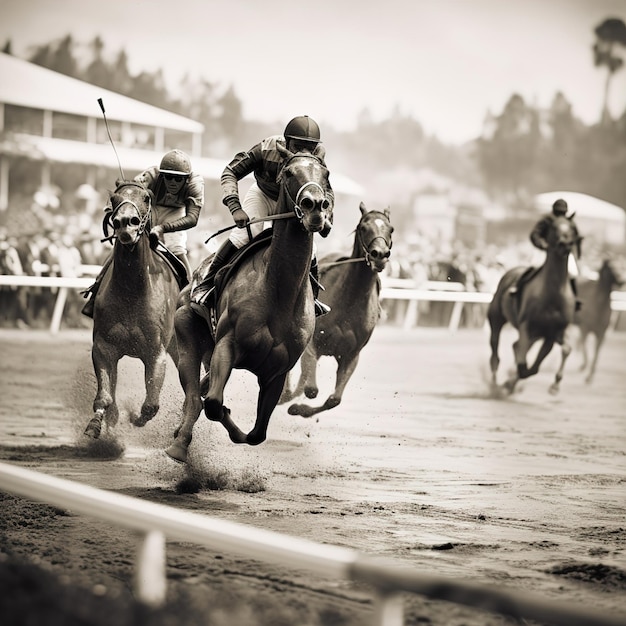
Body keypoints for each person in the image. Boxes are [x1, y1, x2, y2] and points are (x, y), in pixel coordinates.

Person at [192, 115, 334, 317]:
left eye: (309, 148)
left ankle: (314, 299)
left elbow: (326, 188)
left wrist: (327, 214)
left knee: (311, 249)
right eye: (297, 146)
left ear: (316, 147)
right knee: (245, 236)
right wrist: (235, 207)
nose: (304, 152)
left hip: (293, 202)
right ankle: (206, 285)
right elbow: (230, 171)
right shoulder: (266, 148)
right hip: (263, 195)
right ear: (286, 141)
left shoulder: (318, 157)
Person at [81, 149, 204, 318]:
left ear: (187, 179)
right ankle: (96, 292)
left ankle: (188, 297)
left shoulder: (196, 184)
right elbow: (128, 193)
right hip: (151, 208)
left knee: (176, 246)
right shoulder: (151, 175)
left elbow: (192, 218)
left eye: (178, 178)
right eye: (168, 177)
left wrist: (163, 228)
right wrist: (115, 208)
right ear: (161, 175)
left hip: (176, 212)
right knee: (124, 242)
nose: (172, 182)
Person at [510, 198, 582, 311]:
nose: (560, 216)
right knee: (534, 266)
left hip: (563, 254)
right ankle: (517, 287)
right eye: (559, 212)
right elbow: (535, 234)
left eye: (562, 213)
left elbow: (576, 238)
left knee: (573, 272)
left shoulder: (570, 223)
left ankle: (575, 298)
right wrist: (543, 245)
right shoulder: (547, 220)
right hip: (546, 250)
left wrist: (574, 251)